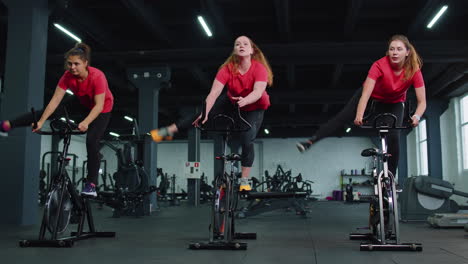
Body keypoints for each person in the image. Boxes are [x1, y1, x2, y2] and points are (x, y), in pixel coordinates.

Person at [150, 35, 273, 191]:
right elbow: (214, 93)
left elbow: (258, 91)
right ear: (234, 50)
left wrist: (245, 100)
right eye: (237, 44)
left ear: (252, 50)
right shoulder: (227, 69)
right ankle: (168, 130)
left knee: (247, 139)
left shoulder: (259, 68)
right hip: (232, 101)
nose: (241, 45)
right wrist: (207, 112)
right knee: (201, 114)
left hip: (254, 106)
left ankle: (244, 179)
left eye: (245, 43)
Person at [296, 34, 426, 176]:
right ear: (388, 51)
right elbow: (365, 95)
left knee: (394, 137)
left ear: (407, 52)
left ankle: (391, 178)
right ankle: (310, 141)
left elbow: (422, 102)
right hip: (371, 98)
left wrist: (417, 116)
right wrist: (359, 115)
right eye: (392, 49)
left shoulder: (414, 70)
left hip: (394, 103)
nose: (395, 52)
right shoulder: (379, 65)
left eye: (399, 49)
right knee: (342, 117)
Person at [0, 43, 114, 197]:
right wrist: (41, 121)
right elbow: (54, 101)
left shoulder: (97, 76)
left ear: (86, 63)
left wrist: (86, 122)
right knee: (46, 112)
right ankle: (8, 125)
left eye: (76, 64)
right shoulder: (67, 77)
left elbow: (99, 105)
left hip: (102, 108)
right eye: (70, 63)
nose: (72, 67)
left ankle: (91, 185)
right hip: (83, 102)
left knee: (92, 141)